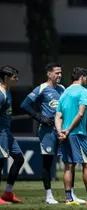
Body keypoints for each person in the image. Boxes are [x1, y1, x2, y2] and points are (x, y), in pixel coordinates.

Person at [20, 63, 81, 204]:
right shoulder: (41, 88)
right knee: (48, 163)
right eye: (56, 73)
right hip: (47, 132)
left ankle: (71, 194)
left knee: (69, 163)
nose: (59, 75)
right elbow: (24, 105)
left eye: (60, 72)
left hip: (63, 131)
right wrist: (39, 117)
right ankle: (48, 195)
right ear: (49, 74)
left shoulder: (62, 89)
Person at [55, 67, 87, 205]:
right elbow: (80, 113)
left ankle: (68, 198)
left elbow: (58, 115)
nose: (86, 80)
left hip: (65, 134)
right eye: (86, 77)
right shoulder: (84, 91)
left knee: (68, 166)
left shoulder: (64, 92)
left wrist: (61, 131)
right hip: (78, 134)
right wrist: (69, 130)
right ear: (82, 77)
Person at [0, 65, 24, 204]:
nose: (17, 79)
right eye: (14, 77)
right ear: (6, 78)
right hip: (0, 133)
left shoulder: (7, 90)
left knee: (19, 159)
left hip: (7, 133)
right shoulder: (1, 94)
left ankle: (8, 193)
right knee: (0, 163)